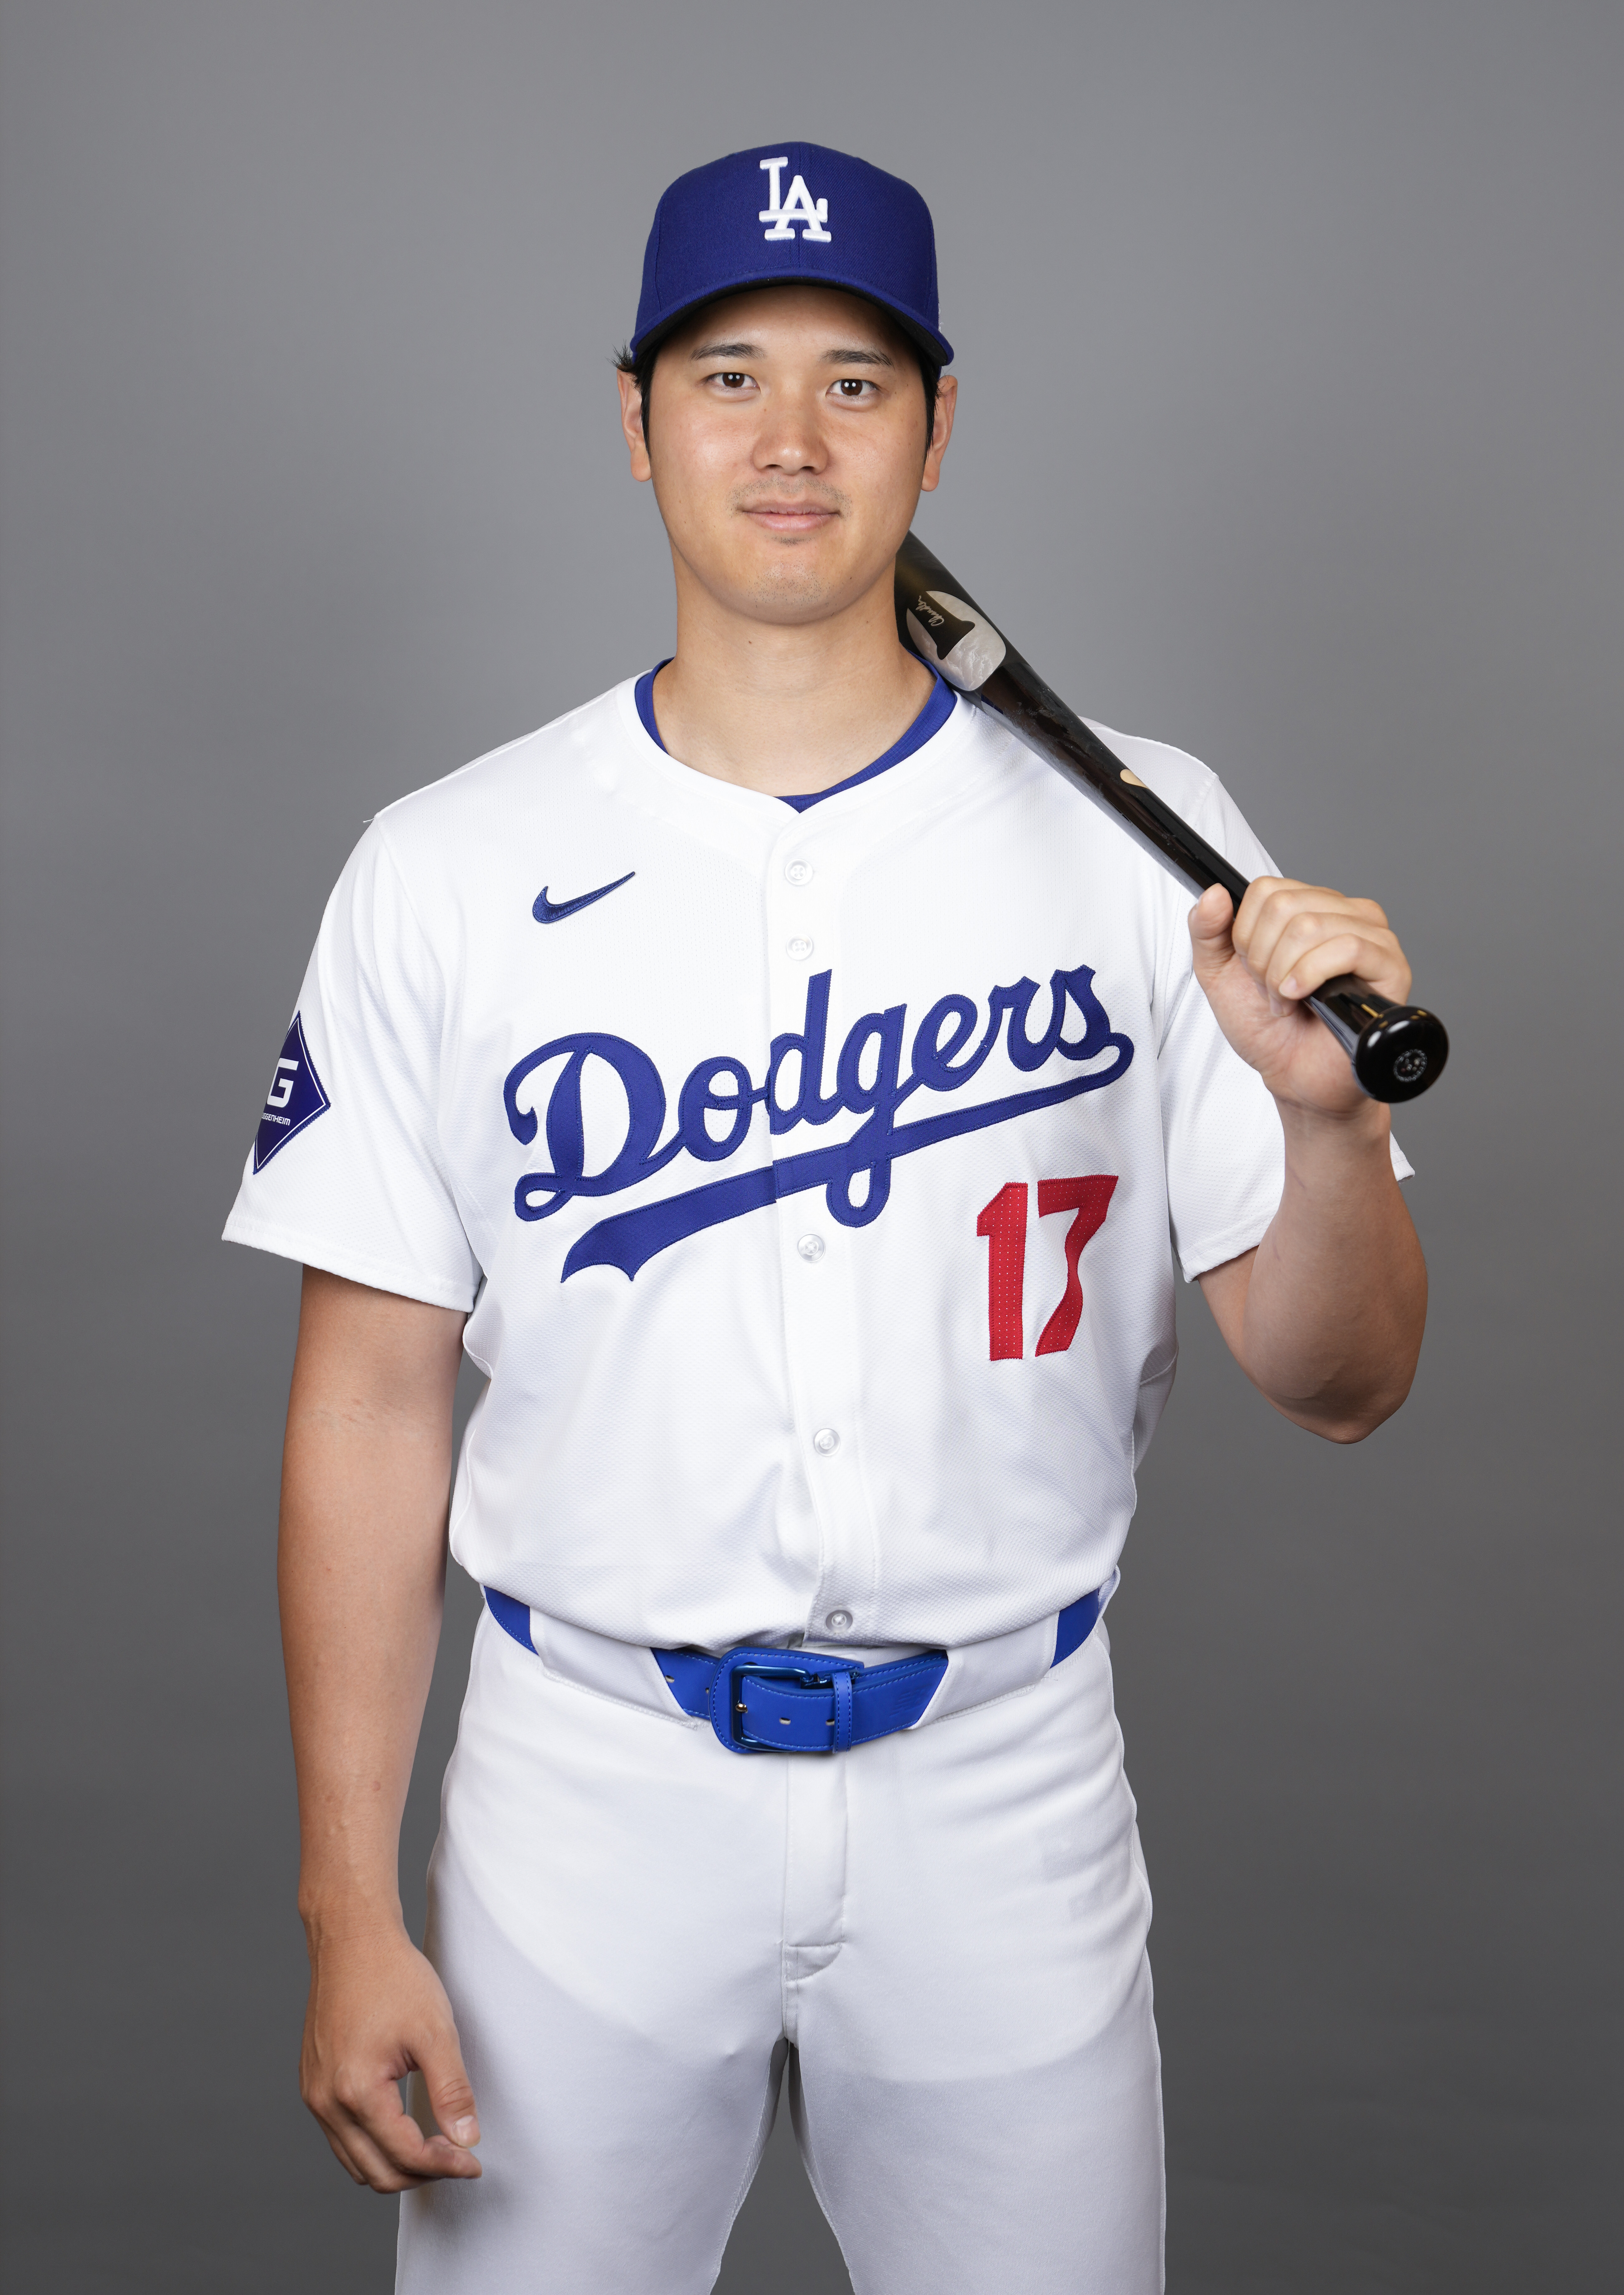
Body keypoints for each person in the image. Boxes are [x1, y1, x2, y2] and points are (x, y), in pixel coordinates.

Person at [224, 143, 1426, 2294]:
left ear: (939, 427)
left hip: (1006, 1780)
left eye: (858, 384)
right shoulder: (447, 861)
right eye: (731, 377)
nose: (790, 441)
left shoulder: (1155, 847)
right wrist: (350, 1903)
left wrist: (1325, 1129)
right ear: (636, 418)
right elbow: (373, 1409)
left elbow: (1342, 1386)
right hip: (584, 1794)